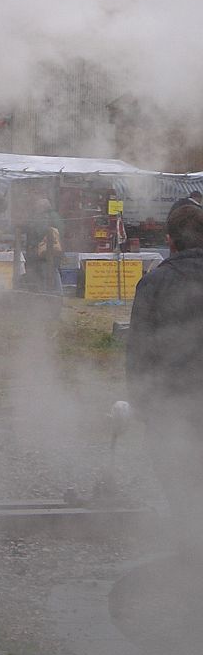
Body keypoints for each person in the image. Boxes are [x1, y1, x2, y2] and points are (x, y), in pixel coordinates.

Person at [126, 204, 203, 552]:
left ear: (169, 241)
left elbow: (139, 354)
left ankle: (189, 556)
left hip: (170, 406)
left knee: (180, 489)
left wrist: (144, 407)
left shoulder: (153, 284)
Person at [23, 195, 64, 293]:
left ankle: (52, 293)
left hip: (46, 248)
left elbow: (39, 231)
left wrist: (29, 227)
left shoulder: (45, 217)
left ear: (42, 207)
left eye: (37, 206)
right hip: (55, 247)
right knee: (53, 270)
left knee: (47, 271)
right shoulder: (55, 215)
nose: (36, 208)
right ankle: (57, 293)